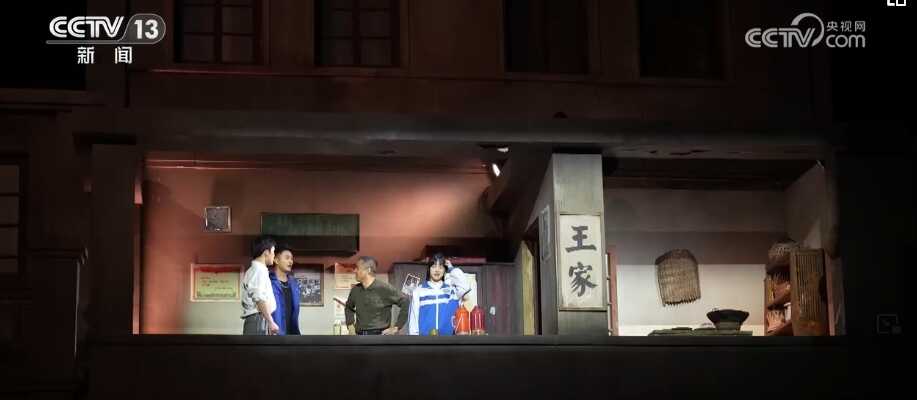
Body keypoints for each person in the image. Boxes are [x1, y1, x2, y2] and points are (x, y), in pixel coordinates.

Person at [407, 253, 470, 336]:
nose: (437, 270)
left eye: (440, 267)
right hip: (425, 340)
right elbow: (413, 318)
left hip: (449, 340)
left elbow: (465, 287)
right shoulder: (419, 291)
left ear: (444, 270)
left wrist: (451, 268)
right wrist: (414, 340)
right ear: (429, 269)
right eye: (433, 267)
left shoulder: (452, 291)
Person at [344, 256, 409, 335]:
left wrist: (397, 327)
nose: (355, 271)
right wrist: (350, 325)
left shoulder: (384, 288)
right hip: (359, 336)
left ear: (368, 270)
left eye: (357, 268)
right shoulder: (355, 290)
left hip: (380, 337)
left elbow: (405, 301)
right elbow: (348, 307)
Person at [241, 236, 279, 335]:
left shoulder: (256, 270)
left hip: (259, 319)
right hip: (258, 320)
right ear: (266, 252)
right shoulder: (259, 270)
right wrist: (270, 321)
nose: (274, 255)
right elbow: (259, 298)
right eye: (273, 251)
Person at [269, 244, 301, 335]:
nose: (290, 261)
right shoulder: (269, 281)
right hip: (274, 333)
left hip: (292, 333)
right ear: (276, 260)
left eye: (291, 259)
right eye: (287, 258)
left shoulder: (294, 284)